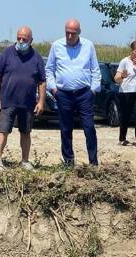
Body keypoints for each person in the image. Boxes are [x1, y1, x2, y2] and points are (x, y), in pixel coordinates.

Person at [46, 19, 101, 167]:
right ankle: (69, 162)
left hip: (84, 94)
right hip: (63, 94)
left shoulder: (88, 45)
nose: (70, 36)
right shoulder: (56, 46)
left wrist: (93, 90)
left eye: (73, 33)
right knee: (65, 128)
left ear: (79, 32)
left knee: (89, 127)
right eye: (67, 33)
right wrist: (53, 88)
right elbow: (49, 69)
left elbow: (95, 70)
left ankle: (93, 162)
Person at [0, 26, 46, 171]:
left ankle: (25, 161)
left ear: (31, 40)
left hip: (27, 103)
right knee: (3, 131)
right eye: (19, 38)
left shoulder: (37, 57)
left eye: (24, 39)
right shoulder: (6, 53)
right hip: (7, 101)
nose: (21, 41)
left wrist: (41, 101)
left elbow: (42, 81)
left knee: (26, 132)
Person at [114, 40, 136, 146]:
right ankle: (122, 138)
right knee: (125, 115)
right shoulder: (124, 61)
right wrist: (122, 76)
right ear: (131, 51)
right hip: (125, 92)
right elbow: (116, 79)